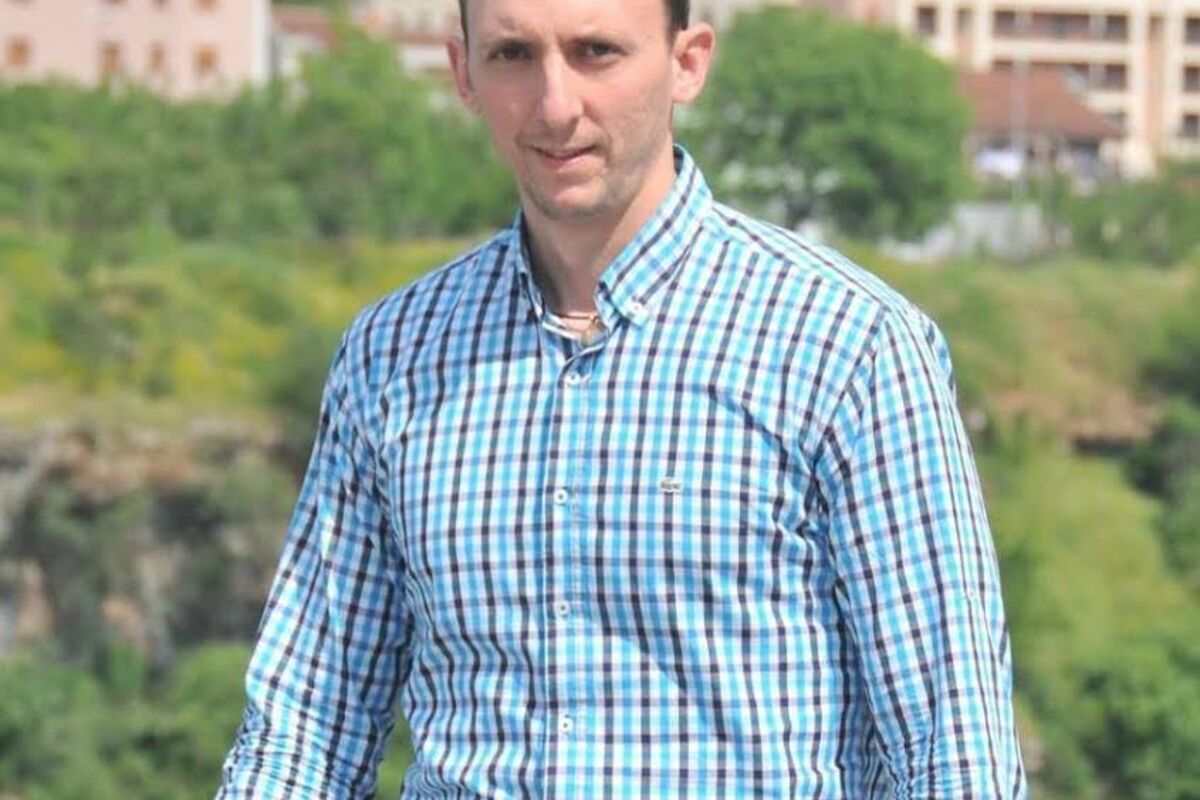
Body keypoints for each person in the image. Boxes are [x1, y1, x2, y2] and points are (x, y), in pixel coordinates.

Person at [216, 0, 1027, 796]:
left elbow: (952, 751)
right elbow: (304, 736)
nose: (555, 104)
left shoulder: (850, 348)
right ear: (463, 72)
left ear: (687, 62)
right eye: (512, 55)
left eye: (595, 52)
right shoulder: (392, 356)